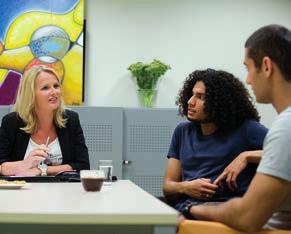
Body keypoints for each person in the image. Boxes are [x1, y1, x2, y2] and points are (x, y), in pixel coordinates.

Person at [184, 24, 291, 231]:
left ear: (267, 66)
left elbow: (246, 217)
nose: (248, 80)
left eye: (248, 68)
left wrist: (192, 209)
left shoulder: (285, 128)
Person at [163, 68, 268, 213]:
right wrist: (186, 187)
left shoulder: (247, 129)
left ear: (219, 103)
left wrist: (246, 156)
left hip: (227, 211)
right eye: (192, 95)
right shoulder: (182, 131)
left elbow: (285, 154)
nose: (190, 102)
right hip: (186, 208)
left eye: (200, 97)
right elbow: (168, 187)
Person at [0, 65, 90, 176]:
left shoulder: (70, 120)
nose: (54, 92)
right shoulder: (12, 122)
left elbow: (83, 166)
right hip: (23, 190)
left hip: (63, 190)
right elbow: (1, 166)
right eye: (45, 88)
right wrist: (26, 164)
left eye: (56, 86)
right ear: (31, 94)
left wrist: (41, 170)